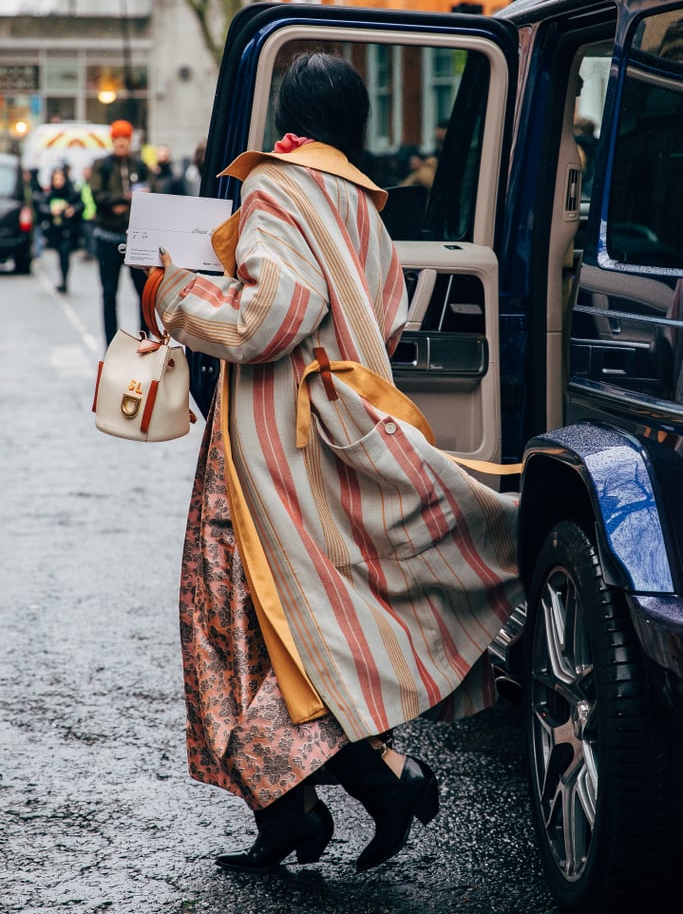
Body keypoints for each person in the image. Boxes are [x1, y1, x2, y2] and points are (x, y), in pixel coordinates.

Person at [150, 53, 523, 874]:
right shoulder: (358, 199)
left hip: (268, 446)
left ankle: (352, 790)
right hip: (333, 431)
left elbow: (271, 316)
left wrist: (174, 295)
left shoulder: (276, 188)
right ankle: (316, 804)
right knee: (301, 621)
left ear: (285, 113)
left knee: (244, 622)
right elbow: (380, 319)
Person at [90, 119, 152, 344]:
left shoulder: (140, 165)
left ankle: (145, 341)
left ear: (130, 140)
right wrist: (123, 199)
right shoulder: (102, 165)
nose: (121, 143)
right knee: (108, 293)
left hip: (135, 238)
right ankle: (111, 344)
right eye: (117, 139)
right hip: (108, 237)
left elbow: (151, 191)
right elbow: (96, 195)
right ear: (112, 141)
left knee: (144, 293)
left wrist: (125, 203)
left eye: (124, 139)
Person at [38, 166, 83, 293]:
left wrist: (72, 210)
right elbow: (41, 209)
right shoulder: (49, 195)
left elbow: (81, 205)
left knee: (65, 254)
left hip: (68, 230)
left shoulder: (72, 193)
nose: (58, 182)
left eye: (60, 178)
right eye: (55, 179)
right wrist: (51, 211)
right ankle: (62, 278)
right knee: (60, 254)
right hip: (55, 231)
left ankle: (64, 280)